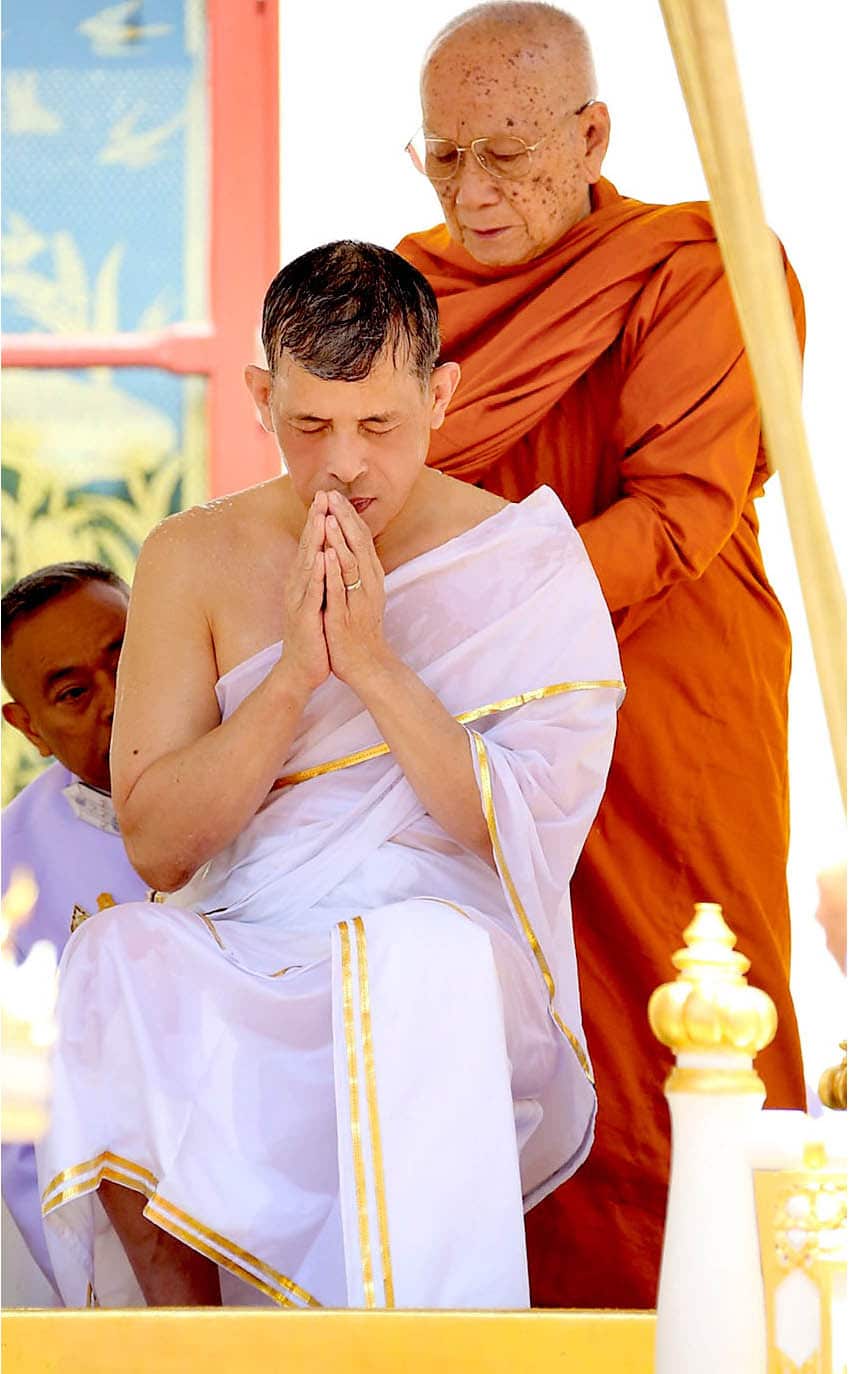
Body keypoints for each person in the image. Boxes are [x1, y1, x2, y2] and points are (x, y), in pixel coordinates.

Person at [36, 241, 624, 1310]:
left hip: (446, 926)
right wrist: (297, 675)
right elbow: (159, 847)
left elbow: (524, 828)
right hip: (252, 926)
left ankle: (418, 1350)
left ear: (440, 396)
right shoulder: (193, 556)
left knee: (414, 960)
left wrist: (374, 665)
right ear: (262, 400)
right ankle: (192, 1348)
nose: (345, 463)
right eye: (310, 426)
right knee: (115, 955)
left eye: (380, 426)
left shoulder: (522, 562)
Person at [396, 1, 807, 1309]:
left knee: (682, 1016)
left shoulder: (695, 264)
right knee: (477, 1027)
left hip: (663, 715)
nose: (474, 192)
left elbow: (677, 512)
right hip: (459, 736)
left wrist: (461, 616)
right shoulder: (399, 293)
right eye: (445, 156)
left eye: (507, 155)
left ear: (590, 137)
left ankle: (716, 1321)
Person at [1, 563, 148, 1293]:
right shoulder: (9, 873)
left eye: (128, 660)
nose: (118, 703)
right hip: (119, 1225)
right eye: (73, 693)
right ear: (26, 726)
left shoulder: (268, 772)